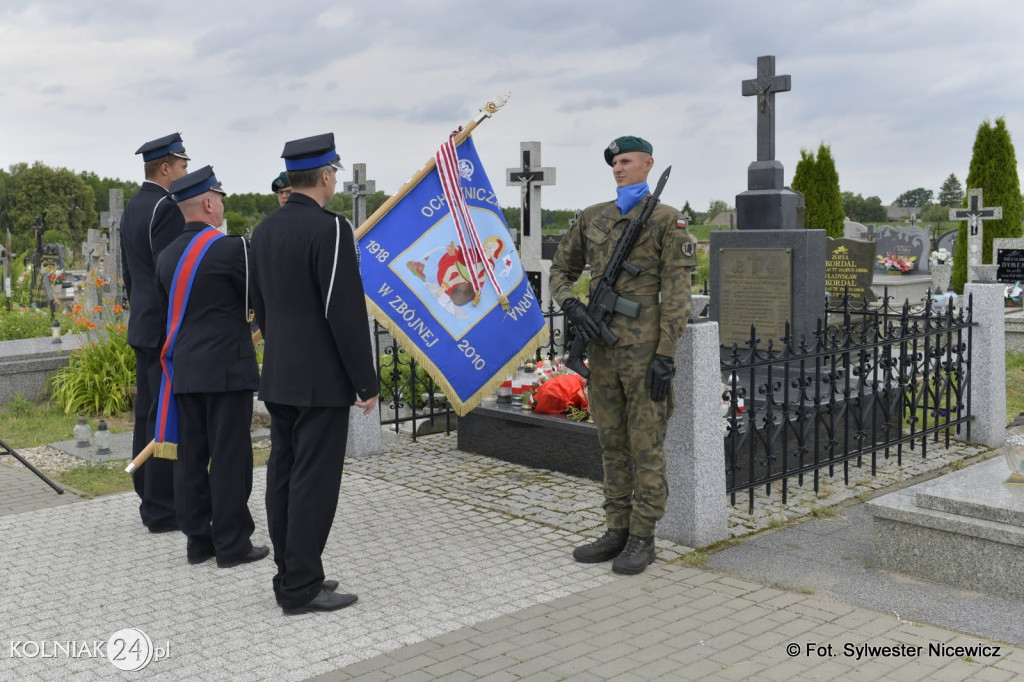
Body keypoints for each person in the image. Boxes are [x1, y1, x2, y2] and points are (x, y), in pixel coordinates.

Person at [550, 135, 697, 575]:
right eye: (614, 161)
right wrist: (571, 304)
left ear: (648, 163)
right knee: (611, 444)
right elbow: (561, 269)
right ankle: (615, 528)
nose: (618, 167)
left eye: (627, 160)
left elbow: (676, 294)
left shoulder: (669, 222)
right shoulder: (593, 217)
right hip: (602, 349)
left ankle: (642, 537)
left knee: (645, 446)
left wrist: (665, 355)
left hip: (643, 351)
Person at [251, 133, 379, 614]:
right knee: (313, 484)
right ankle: (301, 586)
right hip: (320, 381)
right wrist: (364, 381)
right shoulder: (332, 229)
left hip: (281, 374)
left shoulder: (263, 230)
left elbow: (259, 306)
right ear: (327, 175)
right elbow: (342, 311)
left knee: (283, 476)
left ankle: (292, 571)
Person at [155, 166, 269, 569]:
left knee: (191, 456)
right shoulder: (233, 248)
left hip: (185, 370)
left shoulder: (167, 255)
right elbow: (257, 297)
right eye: (219, 198)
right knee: (229, 457)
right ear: (208, 202)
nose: (222, 204)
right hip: (226, 370)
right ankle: (233, 544)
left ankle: (198, 541)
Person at [120, 132, 189, 533]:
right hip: (165, 327)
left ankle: (149, 492)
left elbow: (131, 273)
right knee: (165, 417)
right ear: (165, 167)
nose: (183, 173)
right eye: (181, 166)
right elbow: (170, 273)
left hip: (144, 325)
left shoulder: (134, 205)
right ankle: (163, 507)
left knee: (148, 413)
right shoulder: (166, 208)